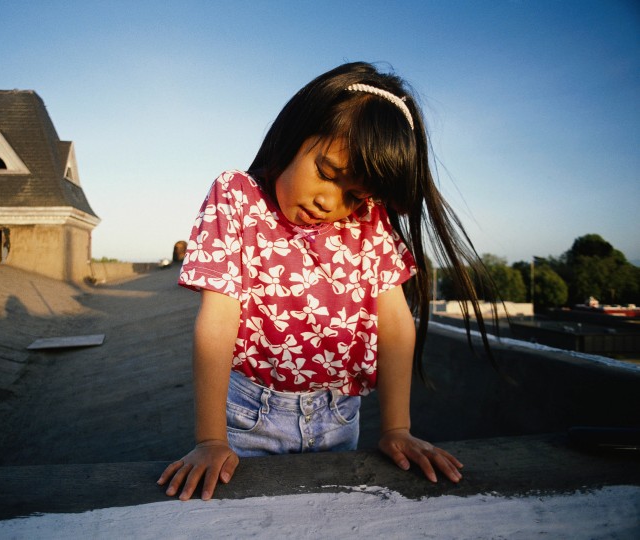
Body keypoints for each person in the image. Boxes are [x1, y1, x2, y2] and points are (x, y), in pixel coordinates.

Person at [157, 62, 498, 501]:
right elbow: (218, 319)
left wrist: (397, 428)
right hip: (247, 418)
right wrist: (210, 440)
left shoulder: (367, 222)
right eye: (327, 172)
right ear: (297, 133)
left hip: (339, 418)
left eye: (355, 194)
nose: (330, 201)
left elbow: (394, 324)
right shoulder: (237, 197)